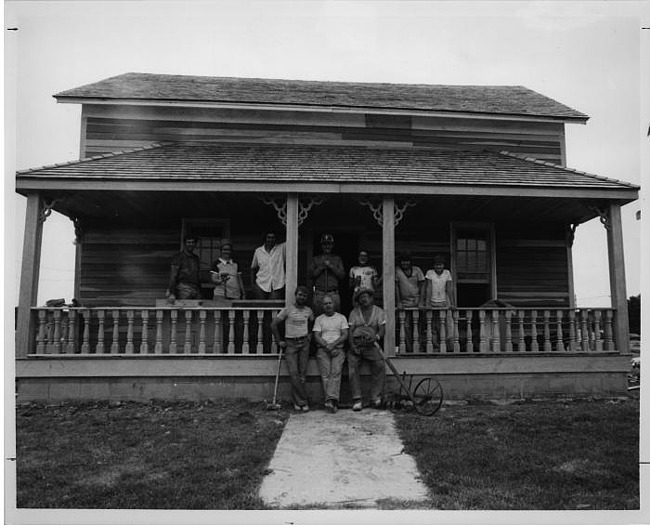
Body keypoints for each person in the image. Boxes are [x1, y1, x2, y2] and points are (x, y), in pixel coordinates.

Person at [271, 286, 315, 412]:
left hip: (304, 344)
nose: (302, 297)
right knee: (294, 373)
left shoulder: (308, 311)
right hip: (291, 344)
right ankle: (303, 401)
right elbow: (273, 324)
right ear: (295, 295)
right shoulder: (287, 310)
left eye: (305, 296)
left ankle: (297, 402)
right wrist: (279, 340)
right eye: (300, 294)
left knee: (302, 374)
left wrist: (310, 334)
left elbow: (313, 322)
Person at [347, 288, 386, 411]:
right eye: (361, 297)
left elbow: (382, 330)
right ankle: (357, 399)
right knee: (352, 366)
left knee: (379, 365)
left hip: (371, 346)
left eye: (366, 297)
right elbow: (350, 331)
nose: (364, 299)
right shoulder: (354, 312)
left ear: (371, 298)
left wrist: (376, 337)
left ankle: (376, 397)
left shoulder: (379, 312)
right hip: (357, 345)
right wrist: (353, 346)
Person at [313, 294, 349, 413]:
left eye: (330, 303)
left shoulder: (341, 318)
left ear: (334, 304)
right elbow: (317, 336)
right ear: (322, 306)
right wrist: (326, 346)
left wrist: (333, 345)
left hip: (338, 349)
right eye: (325, 304)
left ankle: (330, 401)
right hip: (323, 349)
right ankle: (332, 401)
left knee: (335, 373)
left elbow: (345, 335)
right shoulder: (319, 319)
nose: (328, 305)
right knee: (326, 375)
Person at [395, 252, 426, 352]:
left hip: (417, 302)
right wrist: (398, 302)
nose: (405, 263)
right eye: (403, 261)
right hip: (405, 303)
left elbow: (422, 285)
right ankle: (409, 348)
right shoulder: (397, 271)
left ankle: (419, 347)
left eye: (407, 261)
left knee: (419, 325)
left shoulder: (417, 270)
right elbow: (396, 287)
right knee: (406, 326)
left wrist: (421, 301)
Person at [424, 255, 456, 349]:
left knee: (445, 324)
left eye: (440, 265)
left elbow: (449, 288)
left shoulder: (447, 273)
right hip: (433, 301)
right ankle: (434, 344)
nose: (438, 267)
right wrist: (427, 302)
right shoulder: (430, 273)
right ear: (434, 266)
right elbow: (428, 288)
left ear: (443, 265)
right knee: (432, 324)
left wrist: (452, 303)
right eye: (436, 265)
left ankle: (446, 345)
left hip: (443, 302)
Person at [310, 233, 345, 316]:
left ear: (332, 245)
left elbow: (342, 275)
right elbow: (311, 275)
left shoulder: (337, 259)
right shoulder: (316, 259)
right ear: (322, 246)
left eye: (329, 244)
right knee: (318, 317)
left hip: (333, 293)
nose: (327, 246)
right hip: (319, 292)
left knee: (335, 317)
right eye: (325, 244)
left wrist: (331, 266)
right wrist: (321, 267)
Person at [251, 231, 286, 300]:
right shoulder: (258, 251)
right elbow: (253, 268)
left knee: (273, 306)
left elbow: (295, 238)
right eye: (268, 237)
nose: (270, 240)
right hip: (261, 283)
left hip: (277, 283)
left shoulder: (281, 248)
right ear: (265, 238)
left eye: (273, 238)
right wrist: (253, 284)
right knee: (261, 307)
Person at [166, 236, 201, 302]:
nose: (191, 244)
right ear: (184, 244)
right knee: (184, 309)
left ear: (195, 244)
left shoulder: (196, 258)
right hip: (183, 287)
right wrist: (172, 292)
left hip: (195, 288)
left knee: (198, 310)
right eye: (188, 242)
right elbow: (173, 276)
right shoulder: (178, 257)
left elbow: (197, 274)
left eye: (193, 242)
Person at [211, 240, 245, 304]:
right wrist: (222, 280)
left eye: (228, 250)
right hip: (220, 294)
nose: (226, 252)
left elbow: (239, 279)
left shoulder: (236, 263)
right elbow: (214, 279)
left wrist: (243, 293)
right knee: (219, 313)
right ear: (221, 251)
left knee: (234, 313)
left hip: (235, 294)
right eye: (224, 250)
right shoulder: (216, 263)